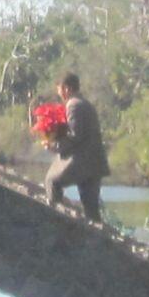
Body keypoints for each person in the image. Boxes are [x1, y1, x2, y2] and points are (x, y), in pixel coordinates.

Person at [43, 72, 108, 224]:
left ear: (66, 88)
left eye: (59, 89)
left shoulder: (74, 105)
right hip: (95, 162)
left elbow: (75, 135)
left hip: (82, 162)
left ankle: (56, 220)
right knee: (91, 206)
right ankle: (100, 238)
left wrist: (54, 145)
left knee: (52, 181)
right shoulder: (84, 103)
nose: (58, 93)